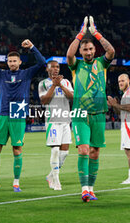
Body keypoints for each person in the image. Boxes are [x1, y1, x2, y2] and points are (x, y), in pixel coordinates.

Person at [0, 38, 46, 192]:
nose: (12, 63)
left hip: (18, 113)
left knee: (17, 149)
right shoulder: (1, 74)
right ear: (7, 62)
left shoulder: (27, 73)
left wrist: (33, 47)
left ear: (20, 62)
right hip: (3, 114)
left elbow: (42, 63)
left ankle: (16, 182)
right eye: (9, 61)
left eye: (15, 61)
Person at [66, 16, 115, 202]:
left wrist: (95, 33)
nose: (88, 51)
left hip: (99, 113)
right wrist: (80, 34)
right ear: (81, 50)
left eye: (91, 48)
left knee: (95, 152)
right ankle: (84, 189)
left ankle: (91, 188)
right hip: (80, 113)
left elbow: (111, 50)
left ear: (95, 50)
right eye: (85, 49)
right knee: (84, 150)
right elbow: (69, 56)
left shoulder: (102, 63)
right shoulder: (75, 65)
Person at [38, 60, 73, 191]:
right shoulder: (43, 84)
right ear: (47, 69)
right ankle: (56, 181)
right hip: (52, 121)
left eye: (57, 67)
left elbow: (73, 97)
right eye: (52, 67)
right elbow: (44, 100)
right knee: (55, 150)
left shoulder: (66, 82)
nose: (55, 69)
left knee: (65, 152)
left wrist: (61, 86)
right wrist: (53, 85)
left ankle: (50, 175)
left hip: (65, 121)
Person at [107, 74, 130, 184]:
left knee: (129, 151)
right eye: (119, 81)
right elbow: (120, 112)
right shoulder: (126, 94)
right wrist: (114, 105)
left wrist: (116, 104)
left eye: (123, 81)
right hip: (127, 125)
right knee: (128, 151)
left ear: (128, 81)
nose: (120, 83)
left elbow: (128, 108)